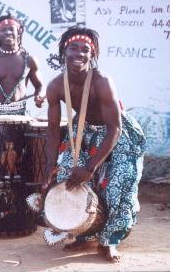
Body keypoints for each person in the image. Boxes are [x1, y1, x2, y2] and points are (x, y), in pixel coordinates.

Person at [42, 26, 146, 263]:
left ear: (93, 55)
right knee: (67, 174)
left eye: (85, 50)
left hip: (117, 134)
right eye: (73, 48)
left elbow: (115, 128)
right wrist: (49, 164)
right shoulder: (55, 86)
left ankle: (109, 240)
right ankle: (82, 231)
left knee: (120, 181)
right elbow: (51, 129)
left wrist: (90, 167)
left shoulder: (102, 81)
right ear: (63, 52)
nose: (79, 53)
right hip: (84, 131)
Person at [0, 14, 45, 115]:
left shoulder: (30, 60)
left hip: (20, 114)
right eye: (3, 30)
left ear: (19, 32)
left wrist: (40, 96)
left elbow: (40, 86)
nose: (8, 32)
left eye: (11, 29)